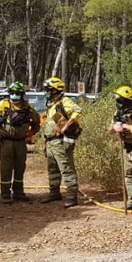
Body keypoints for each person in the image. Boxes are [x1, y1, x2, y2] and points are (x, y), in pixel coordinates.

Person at [0, 82, 41, 204]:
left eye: (18, 93)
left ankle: (18, 193)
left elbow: (36, 121)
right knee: (6, 169)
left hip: (21, 143)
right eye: (13, 93)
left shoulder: (27, 108)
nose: (15, 95)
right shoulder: (4, 105)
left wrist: (31, 132)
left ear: (22, 94)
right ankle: (5, 194)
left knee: (20, 168)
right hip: (7, 143)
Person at [40, 77, 83, 208]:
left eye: (49, 90)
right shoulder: (51, 104)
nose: (46, 92)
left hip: (60, 142)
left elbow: (78, 110)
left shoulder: (64, 101)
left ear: (56, 91)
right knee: (52, 169)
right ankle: (54, 193)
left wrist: (65, 127)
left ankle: (71, 196)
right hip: (51, 142)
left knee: (66, 168)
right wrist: (45, 140)